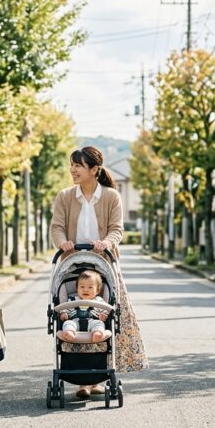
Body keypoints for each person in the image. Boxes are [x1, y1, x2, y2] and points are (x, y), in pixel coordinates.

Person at [50, 146, 147, 399]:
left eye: (78, 165)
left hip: (103, 264)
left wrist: (107, 242)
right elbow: (57, 227)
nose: (73, 170)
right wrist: (62, 243)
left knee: (104, 317)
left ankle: (96, 377)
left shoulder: (112, 196)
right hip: (73, 265)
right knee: (75, 314)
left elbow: (117, 229)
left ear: (94, 170)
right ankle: (82, 380)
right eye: (72, 164)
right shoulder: (65, 196)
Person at [59, 270, 109, 343]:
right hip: (75, 321)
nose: (85, 290)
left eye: (90, 287)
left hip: (93, 321)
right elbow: (65, 309)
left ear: (97, 291)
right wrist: (64, 314)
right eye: (82, 287)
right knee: (68, 323)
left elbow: (106, 310)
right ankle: (69, 333)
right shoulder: (73, 300)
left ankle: (98, 334)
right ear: (77, 289)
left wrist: (103, 315)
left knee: (99, 324)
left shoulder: (99, 301)